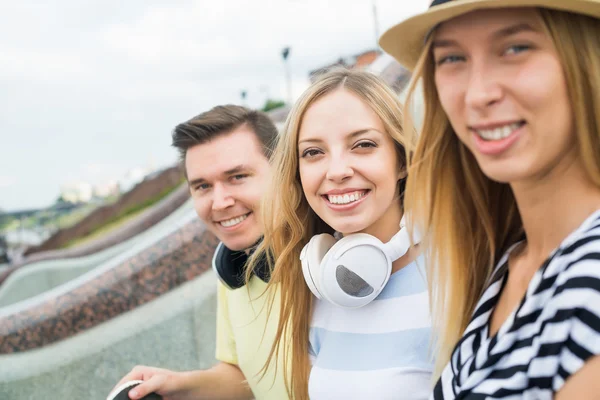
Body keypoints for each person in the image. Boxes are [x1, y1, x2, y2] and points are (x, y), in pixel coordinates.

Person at [379, 0, 600, 398]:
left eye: (515, 48)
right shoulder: (504, 262)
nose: (478, 94)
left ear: (584, 57)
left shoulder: (590, 283)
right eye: (452, 58)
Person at [248, 68, 433, 400]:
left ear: (401, 159)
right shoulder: (319, 286)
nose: (336, 172)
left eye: (362, 145)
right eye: (314, 152)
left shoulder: (456, 274)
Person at [112, 105, 288, 399]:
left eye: (237, 176)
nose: (219, 202)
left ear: (282, 170)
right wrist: (177, 385)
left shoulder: (336, 261)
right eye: (203, 186)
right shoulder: (233, 267)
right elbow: (244, 376)